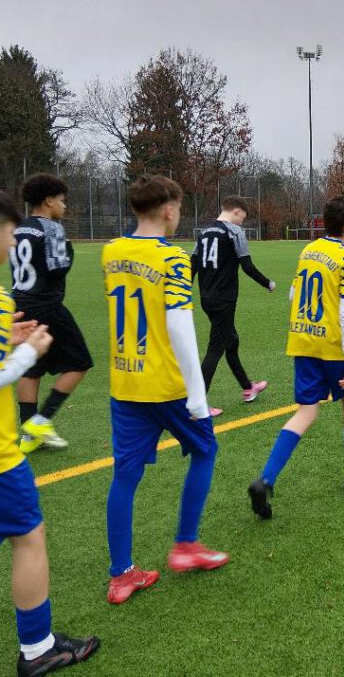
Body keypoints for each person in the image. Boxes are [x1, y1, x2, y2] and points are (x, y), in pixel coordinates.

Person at [0, 184, 100, 675]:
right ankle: (38, 648)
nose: (15, 243)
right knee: (29, 538)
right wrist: (27, 353)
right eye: (11, 233)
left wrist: (1, 340)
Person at [102, 175, 228, 605]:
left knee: (125, 475)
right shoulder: (172, 258)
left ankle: (121, 574)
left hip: (126, 381)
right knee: (205, 451)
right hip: (167, 384)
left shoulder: (111, 252)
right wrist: (197, 393)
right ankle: (186, 544)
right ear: (170, 209)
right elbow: (179, 325)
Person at [248, 197, 344, 521]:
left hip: (302, 339)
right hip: (332, 344)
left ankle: (266, 479)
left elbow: (293, 295)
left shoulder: (308, 250)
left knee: (306, 412)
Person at [9, 174, 93, 453]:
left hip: (20, 303)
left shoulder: (18, 228)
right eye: (61, 201)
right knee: (80, 362)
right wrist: (68, 250)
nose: (64, 206)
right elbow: (58, 268)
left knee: (31, 368)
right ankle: (41, 420)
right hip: (47, 305)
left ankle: (28, 434)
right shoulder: (52, 228)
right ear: (48, 201)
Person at [192, 195, 275, 417]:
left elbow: (192, 265)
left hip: (206, 298)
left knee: (231, 341)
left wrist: (182, 291)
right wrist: (267, 283)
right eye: (243, 218)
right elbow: (247, 266)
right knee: (216, 347)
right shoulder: (234, 231)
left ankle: (248, 387)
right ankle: (198, 404)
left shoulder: (203, 232)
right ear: (236, 211)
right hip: (224, 299)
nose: (242, 223)